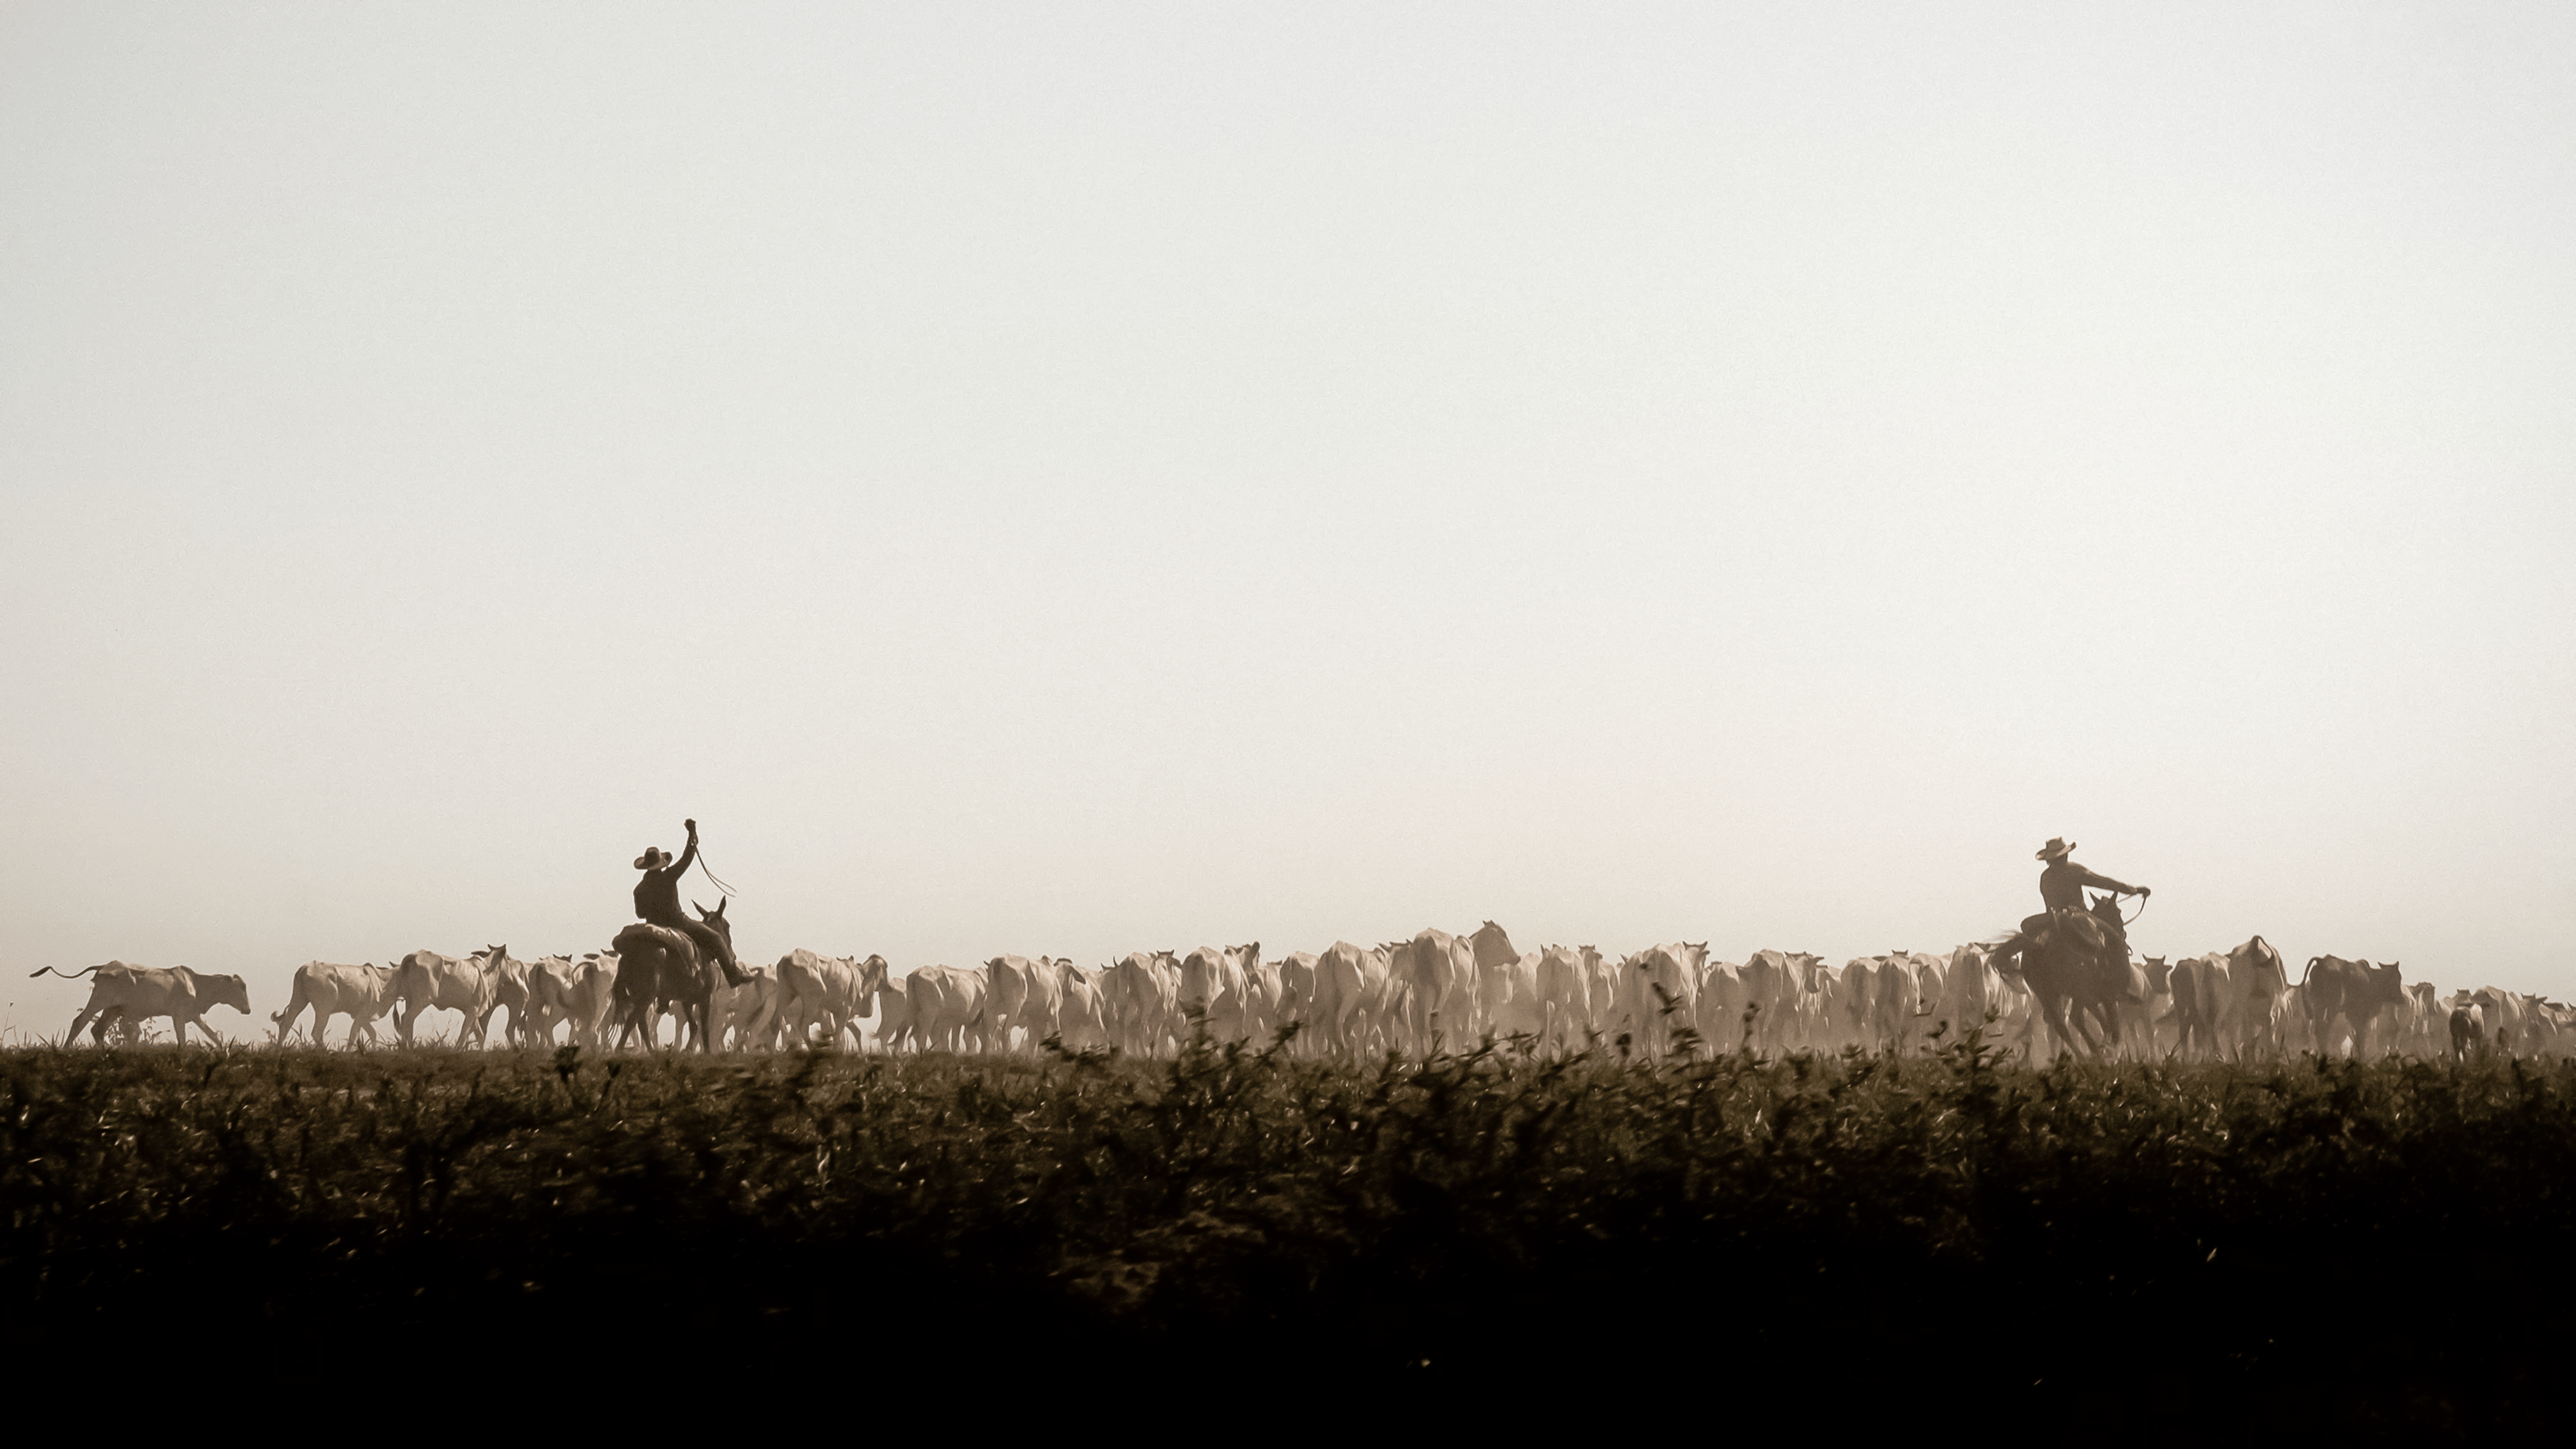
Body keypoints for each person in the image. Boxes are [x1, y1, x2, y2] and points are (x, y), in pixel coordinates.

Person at [632, 818, 748, 988]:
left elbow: (640, 914)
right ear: (661, 864)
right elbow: (687, 858)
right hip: (678, 924)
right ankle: (734, 977)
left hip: (653, 926)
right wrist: (692, 833)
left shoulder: (639, 889)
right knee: (716, 938)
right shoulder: (668, 876)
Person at [2000, 837, 2150, 967]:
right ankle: (2116, 973)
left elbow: (2050, 902)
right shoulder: (2074, 870)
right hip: (2079, 915)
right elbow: (2103, 882)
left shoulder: (2045, 876)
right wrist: (2133, 890)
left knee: (2027, 926)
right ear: (2065, 855)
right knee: (2113, 935)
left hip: (2052, 918)